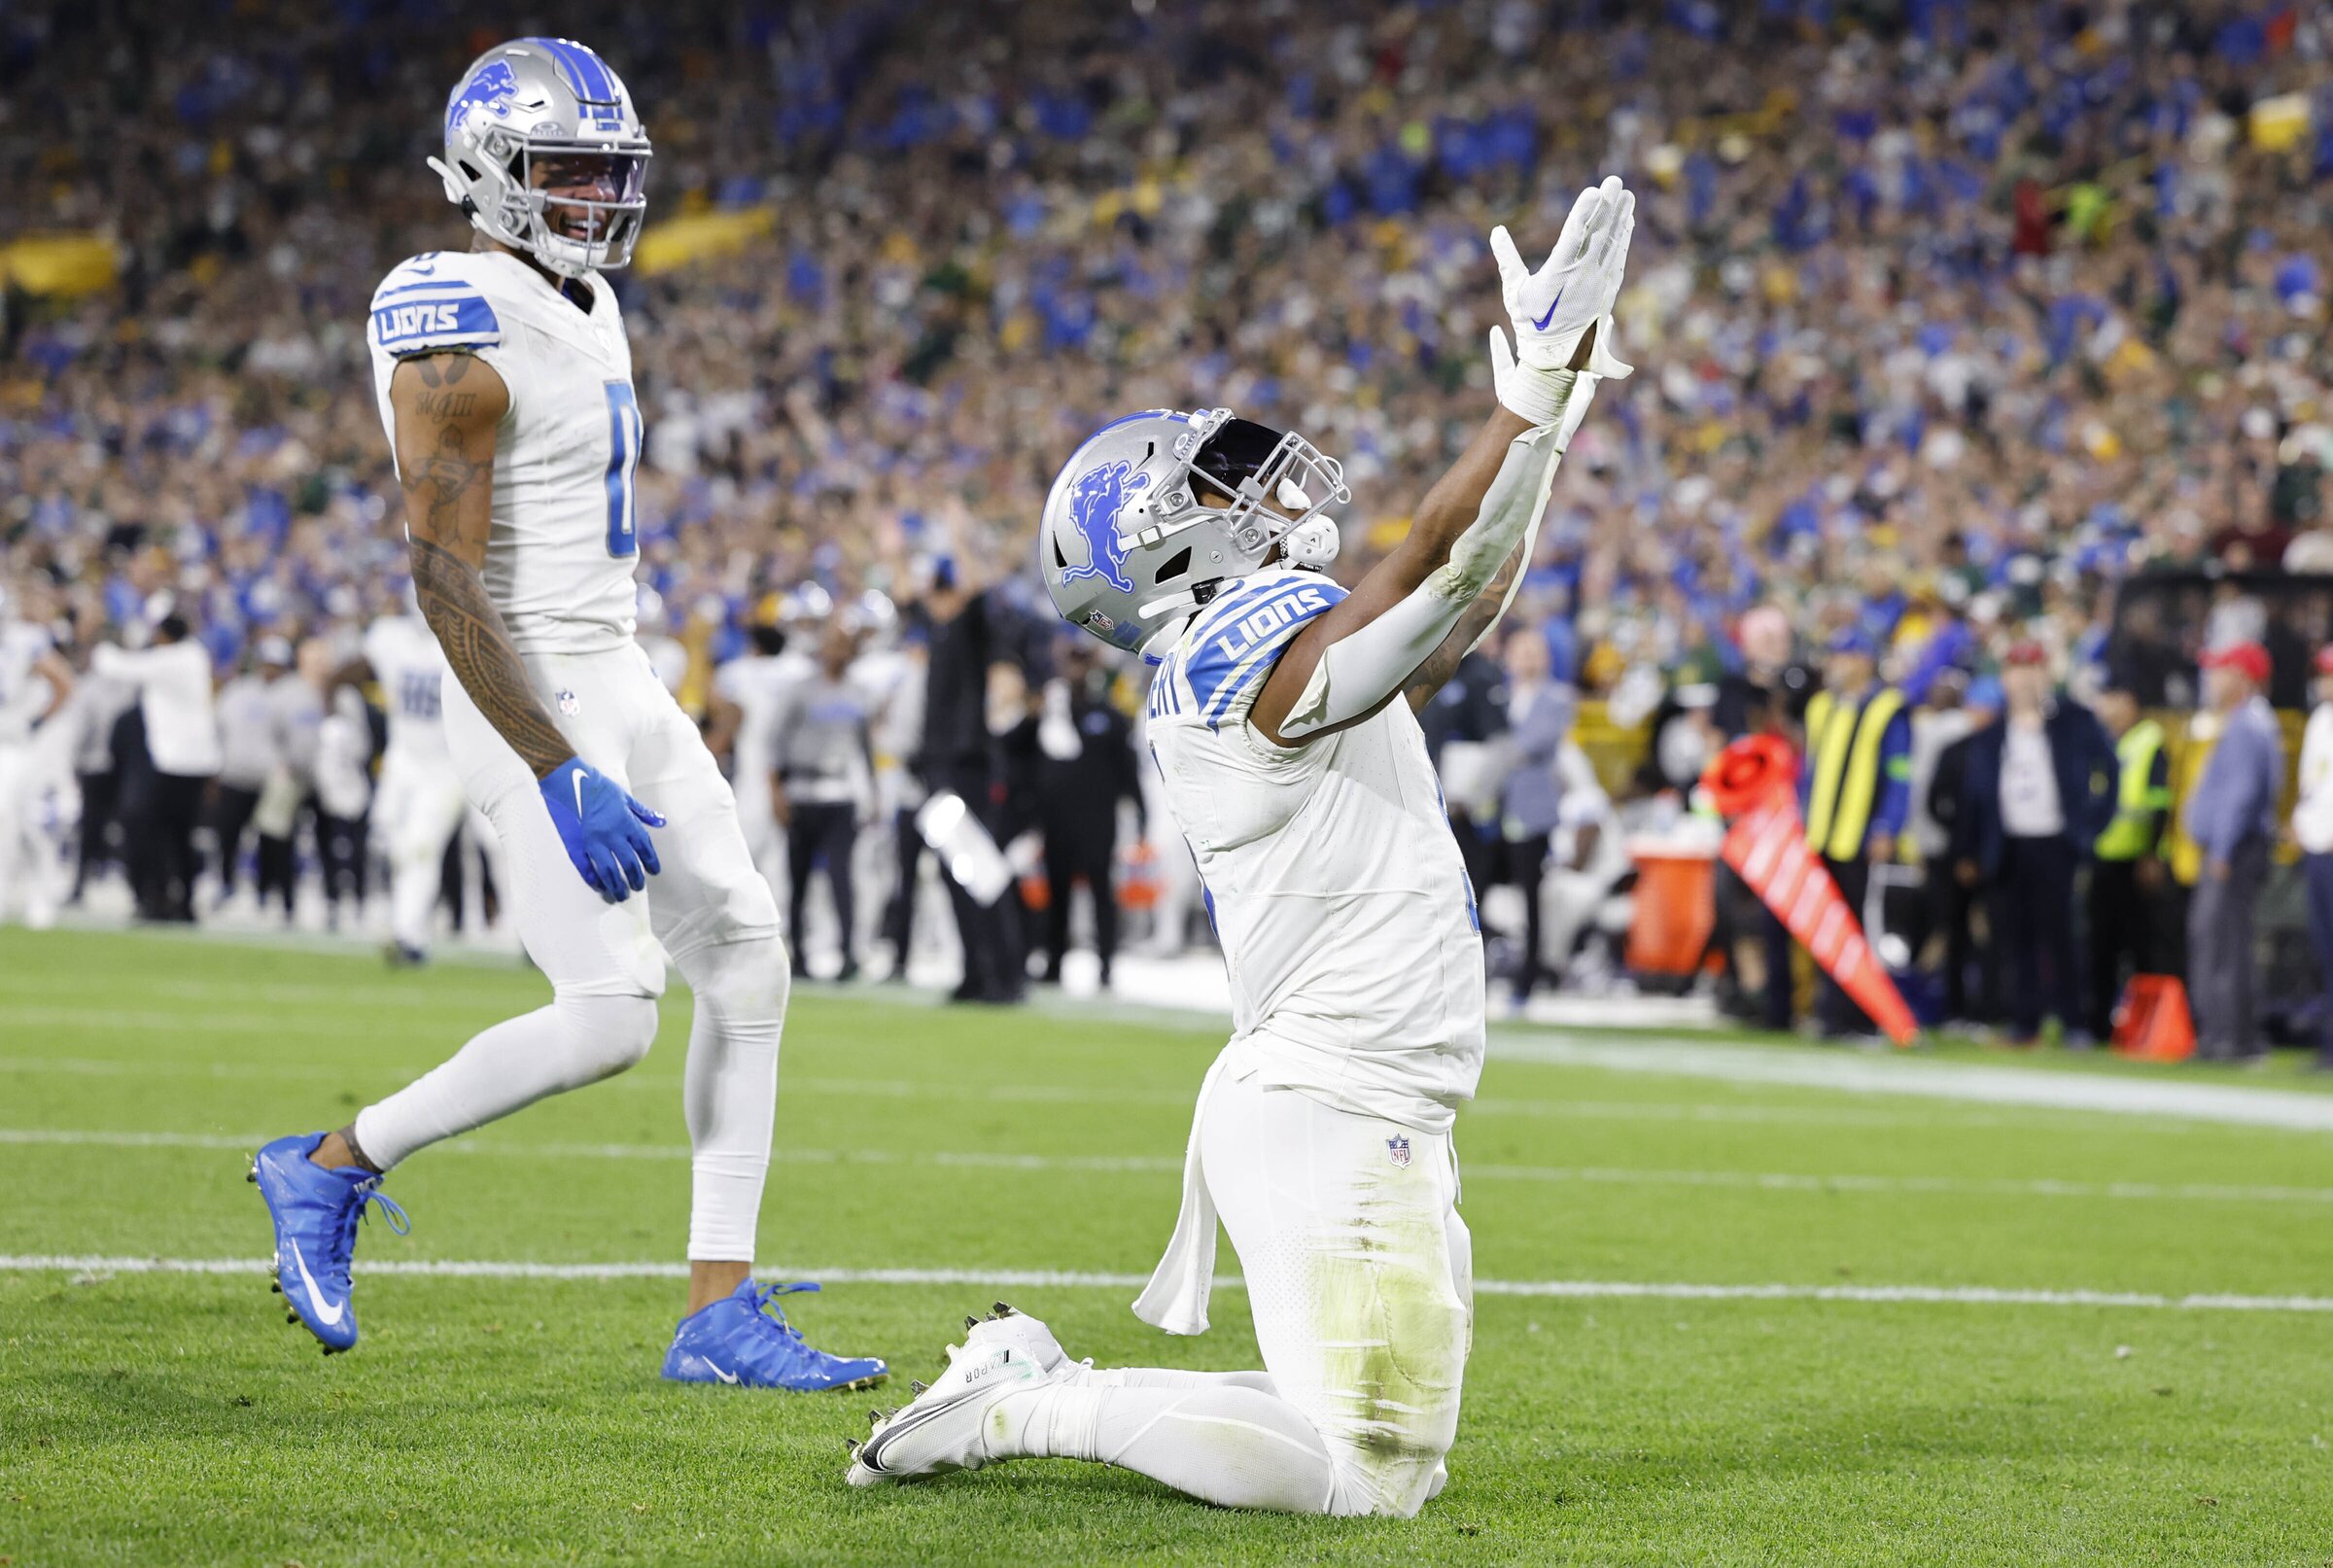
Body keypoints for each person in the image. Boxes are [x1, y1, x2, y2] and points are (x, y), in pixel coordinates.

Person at [849, 180, 1635, 1516]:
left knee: (1355, 1444)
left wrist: (1554, 416)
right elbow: (1437, 568)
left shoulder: (1263, 654)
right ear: (1160, 548)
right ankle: (1026, 1407)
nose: (1264, 491)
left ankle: (1020, 1373)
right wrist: (1531, 393)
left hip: (1355, 1092)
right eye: (1222, 485)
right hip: (1332, 1094)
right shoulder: (1218, 659)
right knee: (1370, 1477)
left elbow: (1472, 593)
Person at [248, 37, 882, 1390]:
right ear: (489, 170)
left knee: (752, 960)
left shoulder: (581, 293)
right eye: (567, 168)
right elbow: (441, 572)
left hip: (621, 665)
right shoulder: (449, 316)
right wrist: (554, 765)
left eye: (611, 169)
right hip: (527, 683)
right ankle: (331, 1164)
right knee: (609, 1016)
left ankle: (718, 1310)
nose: (597, 196)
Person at [1957, 642, 2117, 1045]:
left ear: (2046, 675)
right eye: (2015, 671)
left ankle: (2074, 1021)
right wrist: (1971, 848)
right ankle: (2025, 1020)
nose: (2024, 679)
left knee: (2061, 935)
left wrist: (2089, 825)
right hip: (2010, 844)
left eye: (2032, 670)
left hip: (2055, 841)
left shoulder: (2073, 720)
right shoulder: (1994, 733)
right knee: (2017, 937)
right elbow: (1976, 796)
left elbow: (2110, 770)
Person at [1798, 626, 1912, 1037]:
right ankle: (1829, 1013)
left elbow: (1899, 774)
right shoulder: (1821, 707)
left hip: (1860, 838)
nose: (1834, 665)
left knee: (1860, 931)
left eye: (1842, 656)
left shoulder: (1886, 708)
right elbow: (1809, 774)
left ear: (1863, 661)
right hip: (1822, 834)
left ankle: (1863, 1016)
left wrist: (1887, 826)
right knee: (1826, 930)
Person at [2180, 641, 2282, 1062]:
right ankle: (2234, 1035)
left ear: (2241, 678)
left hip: (2234, 850)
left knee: (2220, 941)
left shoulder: (2245, 726)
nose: (2212, 679)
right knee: (2229, 941)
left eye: (2220, 671)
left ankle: (2226, 1038)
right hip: (2238, 847)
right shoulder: (2251, 721)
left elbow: (2241, 796)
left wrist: (2221, 849)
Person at [357, 599, 468, 963]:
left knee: (420, 848)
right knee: (387, 843)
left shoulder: (463, 641)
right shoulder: (392, 638)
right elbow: (357, 664)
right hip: (403, 761)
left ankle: (409, 935)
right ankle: (399, 922)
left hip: (444, 768)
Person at [92, 613, 221, 923]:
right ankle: (184, 902)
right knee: (181, 835)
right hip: (197, 762)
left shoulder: (171, 660)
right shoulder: (196, 656)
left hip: (172, 761)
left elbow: (116, 667)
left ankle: (161, 899)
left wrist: (102, 644)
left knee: (156, 833)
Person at [1033, 638, 1144, 988]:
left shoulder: (1108, 715)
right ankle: (1053, 962)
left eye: (1081, 662)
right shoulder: (1049, 714)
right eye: (1071, 662)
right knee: (1057, 891)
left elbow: (1128, 769)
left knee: (1101, 892)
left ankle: (1106, 964)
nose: (1076, 670)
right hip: (1057, 820)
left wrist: (1140, 812)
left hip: (1097, 821)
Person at [773, 621, 876, 980]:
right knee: (798, 879)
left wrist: (872, 795)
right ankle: (799, 954)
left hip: (841, 792)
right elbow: (776, 745)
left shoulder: (859, 693)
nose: (838, 653)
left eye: (844, 646)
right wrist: (776, 793)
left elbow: (866, 749)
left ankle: (848, 953)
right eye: (833, 645)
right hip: (802, 789)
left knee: (841, 878)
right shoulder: (801, 690)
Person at [2087, 671, 2173, 1039]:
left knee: (2141, 950)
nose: (2104, 706)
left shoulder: (2150, 741)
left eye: (2111, 697)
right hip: (2103, 857)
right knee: (2100, 947)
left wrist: (2152, 854)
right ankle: (2098, 1027)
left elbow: (2159, 803)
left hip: (2137, 862)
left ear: (2129, 701)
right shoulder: (2105, 741)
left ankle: (2145, 1028)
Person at [1493, 626, 1570, 1004]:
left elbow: (1530, 743)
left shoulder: (1556, 698)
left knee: (1531, 895)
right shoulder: (1500, 694)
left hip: (1532, 811)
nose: (1527, 658)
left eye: (1534, 651)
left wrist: (1489, 757)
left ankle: (1529, 976)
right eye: (1521, 650)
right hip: (1494, 808)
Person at [1929, 676, 2002, 1026]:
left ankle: (1991, 1009)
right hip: (1959, 858)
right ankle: (1955, 1008)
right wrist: (1961, 849)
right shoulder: (1956, 750)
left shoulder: (2005, 750)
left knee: (1994, 935)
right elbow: (1935, 802)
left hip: (1996, 859)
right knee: (1956, 933)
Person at [210, 640, 287, 907]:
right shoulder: (238, 691)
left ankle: (265, 892)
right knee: (228, 836)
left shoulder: (289, 696)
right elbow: (218, 729)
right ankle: (225, 885)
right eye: (267, 663)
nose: (271, 670)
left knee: (270, 840)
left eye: (276, 665)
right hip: (235, 775)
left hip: (271, 780)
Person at [2293, 647, 2333, 1068]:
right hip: (2318, 847)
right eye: (2321, 674)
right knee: (2324, 949)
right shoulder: (2320, 721)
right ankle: (2328, 1043)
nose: (2325, 682)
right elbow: (2312, 784)